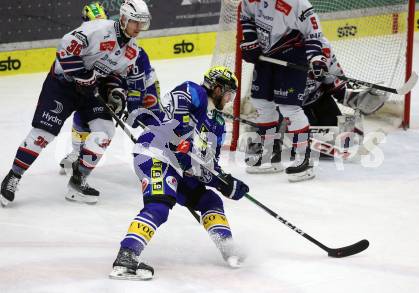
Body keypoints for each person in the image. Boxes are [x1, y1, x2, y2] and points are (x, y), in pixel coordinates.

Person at [0, 0, 151, 207]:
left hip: (91, 91)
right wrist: (83, 75)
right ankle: (13, 177)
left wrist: (116, 92)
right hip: (62, 85)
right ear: (124, 18)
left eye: (142, 24)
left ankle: (78, 182)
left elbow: (116, 75)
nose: (138, 28)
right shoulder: (98, 29)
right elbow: (64, 50)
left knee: (104, 132)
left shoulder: (132, 50)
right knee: (43, 134)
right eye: (135, 22)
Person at [109, 66, 249, 281]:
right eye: (229, 94)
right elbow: (178, 99)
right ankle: (125, 258)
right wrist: (180, 132)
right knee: (160, 204)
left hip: (179, 166)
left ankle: (228, 247)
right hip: (155, 153)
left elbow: (208, 166)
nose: (230, 100)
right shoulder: (196, 92)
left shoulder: (218, 125)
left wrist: (224, 182)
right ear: (219, 89)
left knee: (210, 200)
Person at [59, 4, 161, 178]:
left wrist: (131, 105)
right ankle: (77, 153)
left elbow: (136, 84)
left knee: (152, 116)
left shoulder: (131, 49)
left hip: (143, 84)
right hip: (113, 85)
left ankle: (163, 154)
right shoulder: (89, 44)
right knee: (85, 114)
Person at [240, 0, 332, 182]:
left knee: (289, 108)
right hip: (265, 54)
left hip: (292, 54)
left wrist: (316, 59)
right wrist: (250, 39)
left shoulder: (298, 4)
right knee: (262, 103)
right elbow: (245, 15)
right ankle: (270, 155)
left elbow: (313, 34)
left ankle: (304, 159)